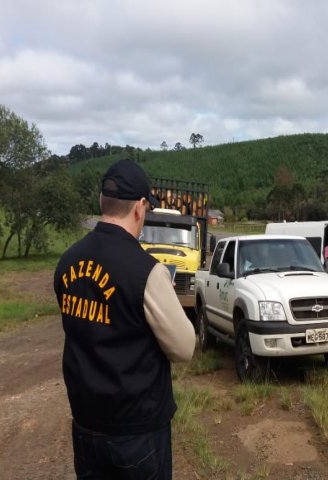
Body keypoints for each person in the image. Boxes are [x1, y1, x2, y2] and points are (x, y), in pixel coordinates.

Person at [54, 159, 196, 479]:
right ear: (140, 207)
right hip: (137, 432)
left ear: (101, 203)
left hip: (86, 425)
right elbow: (184, 348)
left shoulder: (67, 263)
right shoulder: (147, 271)